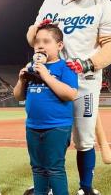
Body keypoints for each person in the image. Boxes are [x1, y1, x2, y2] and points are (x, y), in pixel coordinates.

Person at [26, 0, 111, 195]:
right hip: (50, 78)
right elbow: (36, 36)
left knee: (84, 139)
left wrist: (90, 63)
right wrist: (35, 34)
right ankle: (43, 184)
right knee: (49, 133)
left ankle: (85, 188)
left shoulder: (105, 5)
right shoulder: (51, 0)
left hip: (85, 82)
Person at [14, 24, 78, 195]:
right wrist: (21, 80)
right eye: (37, 41)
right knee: (37, 168)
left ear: (59, 46)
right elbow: (19, 96)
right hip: (33, 126)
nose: (40, 45)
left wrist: (46, 75)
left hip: (57, 126)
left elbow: (70, 94)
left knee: (55, 168)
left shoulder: (66, 67)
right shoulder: (30, 67)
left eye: (46, 41)